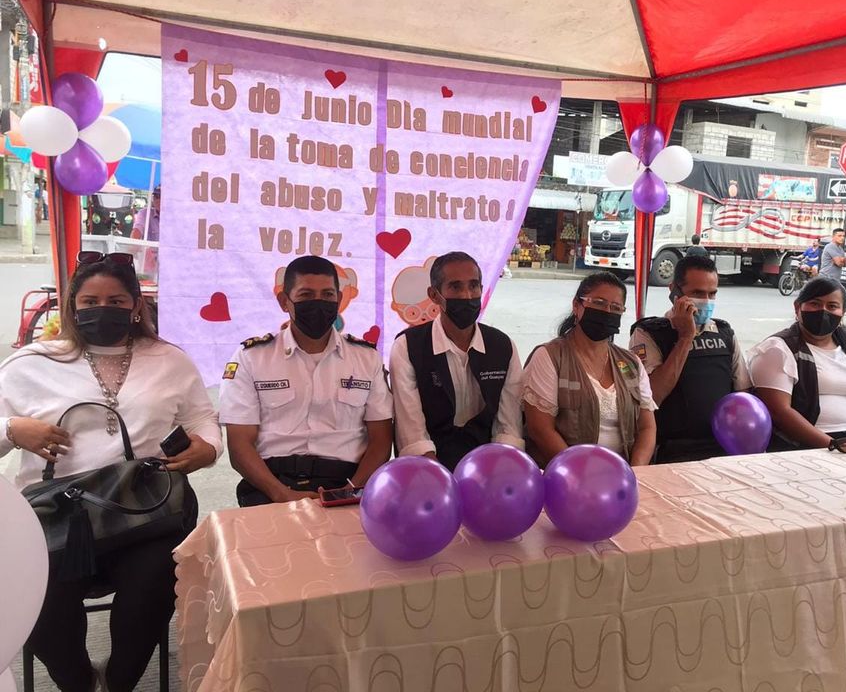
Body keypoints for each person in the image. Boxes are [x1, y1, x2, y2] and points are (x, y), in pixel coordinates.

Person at [0, 251, 221, 692]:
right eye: (90, 301)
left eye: (117, 301)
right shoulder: (30, 364)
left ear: (136, 305)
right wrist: (12, 429)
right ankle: (78, 682)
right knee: (34, 595)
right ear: (72, 305)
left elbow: (202, 418)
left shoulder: (170, 360)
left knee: (157, 582)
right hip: (56, 519)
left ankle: (120, 681)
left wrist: (208, 448)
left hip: (145, 512)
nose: (103, 309)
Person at [220, 255, 393, 507]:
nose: (318, 303)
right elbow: (239, 444)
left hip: (346, 483)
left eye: (327, 295)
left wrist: (350, 492)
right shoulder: (251, 358)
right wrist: (281, 494)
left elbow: (381, 440)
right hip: (271, 486)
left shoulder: (366, 358)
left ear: (339, 299)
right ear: (284, 301)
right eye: (306, 295)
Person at [391, 252, 524, 471]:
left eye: (473, 286)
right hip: (428, 468)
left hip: (488, 466)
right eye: (455, 287)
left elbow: (508, 427)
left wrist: (497, 472)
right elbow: (412, 433)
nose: (467, 295)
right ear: (434, 295)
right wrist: (439, 478)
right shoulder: (408, 346)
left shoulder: (502, 346)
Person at [523, 272, 657, 467]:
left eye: (615, 307)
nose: (607, 312)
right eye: (599, 303)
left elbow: (647, 427)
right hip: (567, 473)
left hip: (622, 474)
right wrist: (581, 472)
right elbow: (540, 430)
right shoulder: (550, 356)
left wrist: (635, 471)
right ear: (577, 306)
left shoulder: (630, 363)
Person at [629, 255, 751, 463]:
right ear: (674, 291)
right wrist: (686, 337)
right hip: (674, 451)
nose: (706, 301)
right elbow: (652, 396)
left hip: (723, 447)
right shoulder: (649, 333)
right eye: (697, 293)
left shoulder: (724, 333)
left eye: (712, 294)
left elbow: (744, 394)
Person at [749, 276, 846, 450]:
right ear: (797, 307)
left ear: (843, 312)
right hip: (802, 448)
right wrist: (835, 446)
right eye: (815, 304)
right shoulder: (778, 349)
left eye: (832, 306)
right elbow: (779, 412)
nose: (823, 311)